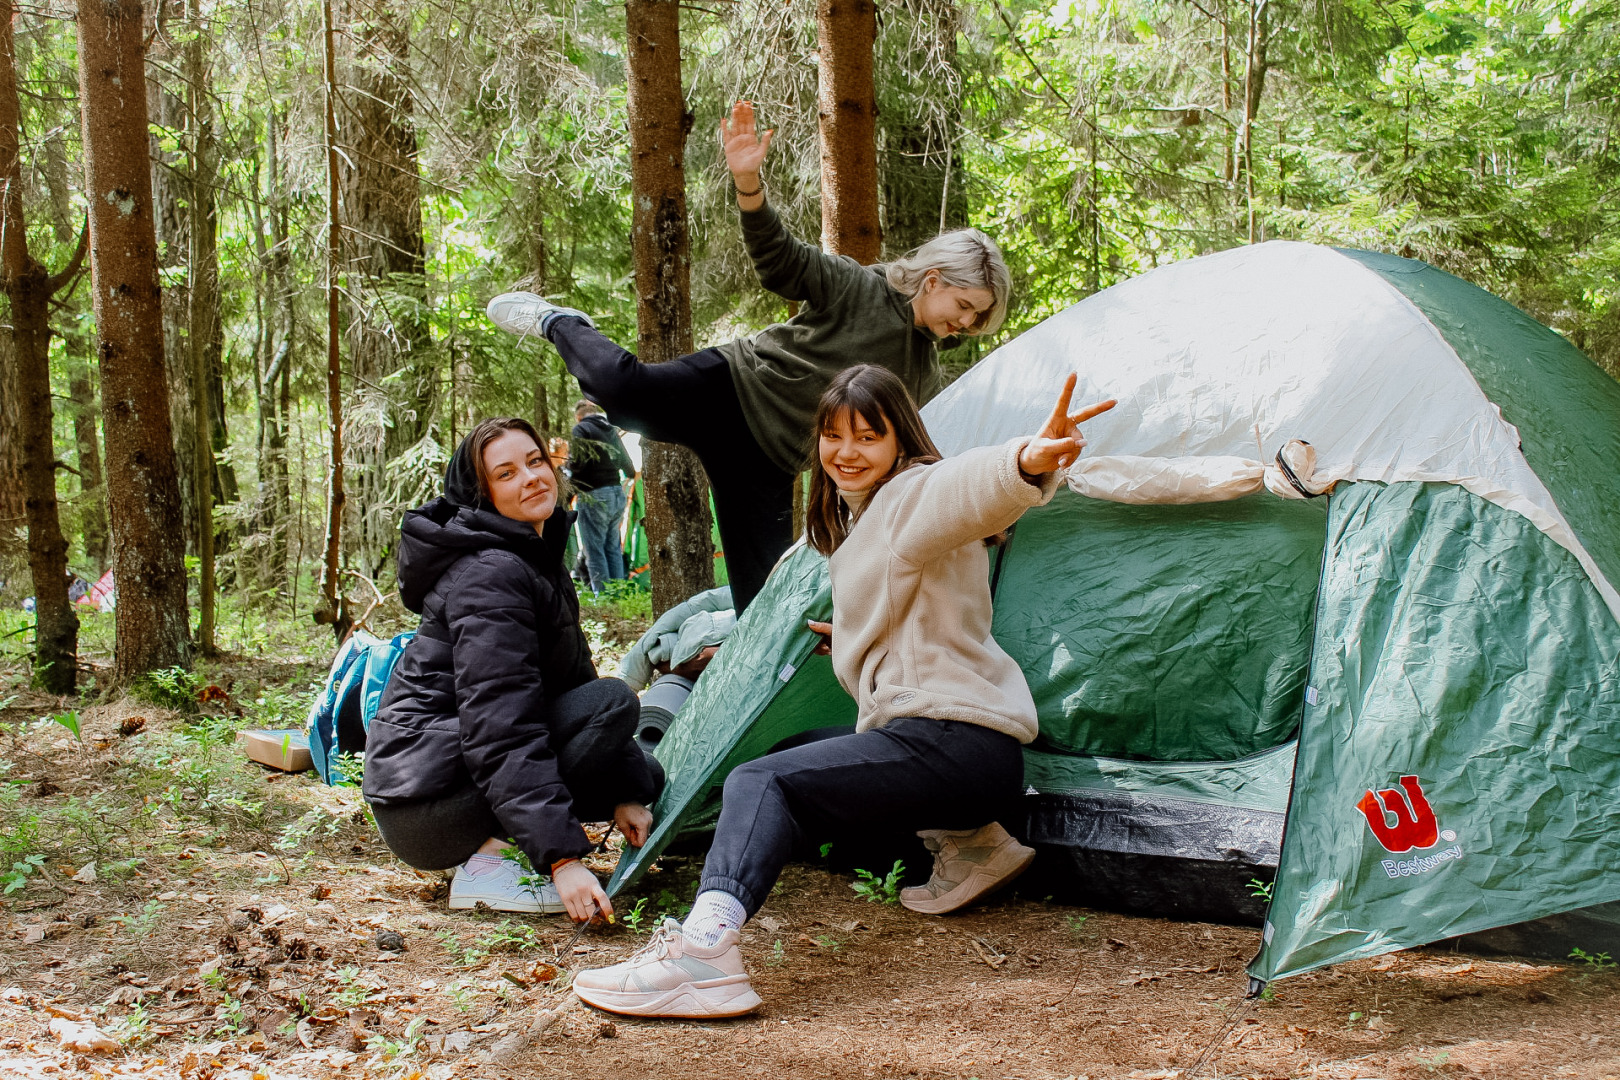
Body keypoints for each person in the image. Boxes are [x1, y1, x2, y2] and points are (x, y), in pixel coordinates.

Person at [570, 366, 1115, 1018]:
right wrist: (856, 635)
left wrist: (1025, 461)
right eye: (832, 435)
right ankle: (975, 846)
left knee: (758, 783)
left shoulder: (908, 494)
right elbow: (914, 599)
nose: (845, 452)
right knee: (801, 750)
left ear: (899, 442)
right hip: (972, 754)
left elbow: (962, 489)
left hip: (952, 741)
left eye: (866, 435)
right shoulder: (868, 523)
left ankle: (704, 953)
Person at [485, 100, 1013, 614]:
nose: (965, 324)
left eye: (977, 318)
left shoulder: (920, 373)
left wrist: (990, 504)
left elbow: (913, 455)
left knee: (762, 608)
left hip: (767, 467)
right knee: (618, 392)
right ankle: (559, 321)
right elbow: (781, 261)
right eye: (965, 307)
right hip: (732, 389)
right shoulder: (859, 286)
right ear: (935, 279)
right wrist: (748, 183)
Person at [362, 418, 662, 921]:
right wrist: (563, 859)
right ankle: (491, 866)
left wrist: (624, 793)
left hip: (450, 783)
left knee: (643, 774)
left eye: (535, 461)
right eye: (506, 474)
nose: (531, 478)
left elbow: (572, 682)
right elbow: (500, 726)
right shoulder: (491, 574)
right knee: (611, 705)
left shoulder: (532, 555)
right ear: (483, 495)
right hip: (426, 808)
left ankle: (514, 840)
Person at [568, 400, 636, 593]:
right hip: (617, 494)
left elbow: (577, 465)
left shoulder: (581, 430)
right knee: (612, 547)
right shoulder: (611, 429)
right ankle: (618, 593)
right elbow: (629, 467)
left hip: (594, 495)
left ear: (578, 417)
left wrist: (568, 491)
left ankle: (604, 597)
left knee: (594, 550)